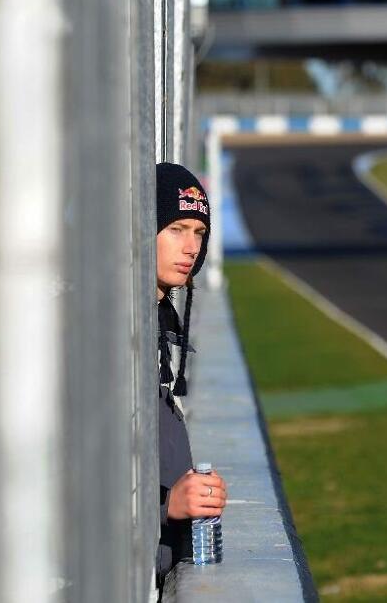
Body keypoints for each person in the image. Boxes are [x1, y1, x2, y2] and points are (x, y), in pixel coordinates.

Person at [154, 162, 227, 586]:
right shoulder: (102, 334)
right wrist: (165, 508)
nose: (191, 248)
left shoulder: (156, 320)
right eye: (177, 229)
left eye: (199, 233)